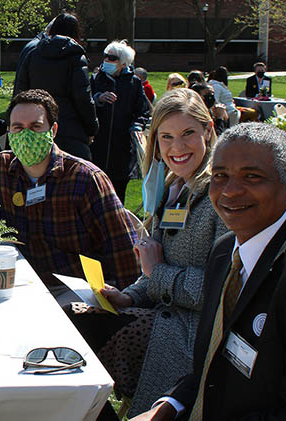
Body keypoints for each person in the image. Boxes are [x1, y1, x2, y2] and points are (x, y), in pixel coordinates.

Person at [131, 122, 286, 420]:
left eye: (252, 177)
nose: (230, 191)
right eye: (220, 176)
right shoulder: (224, 252)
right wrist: (167, 407)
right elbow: (209, 366)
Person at [86, 89, 228, 416]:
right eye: (166, 137)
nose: (177, 148)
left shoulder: (222, 197)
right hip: (162, 318)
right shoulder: (172, 187)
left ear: (208, 130)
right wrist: (130, 296)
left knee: (87, 340)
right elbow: (155, 268)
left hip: (193, 335)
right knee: (80, 321)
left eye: (188, 134)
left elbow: (222, 290)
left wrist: (156, 275)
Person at [0, 89, 140, 289]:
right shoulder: (0, 168)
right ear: (9, 131)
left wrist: (128, 301)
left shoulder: (85, 179)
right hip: (19, 283)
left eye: (35, 127)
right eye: (18, 128)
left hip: (76, 291)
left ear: (52, 131)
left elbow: (123, 250)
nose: (26, 135)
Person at [14, 11, 99, 160]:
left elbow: (20, 93)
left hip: (37, 128)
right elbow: (83, 97)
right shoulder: (76, 57)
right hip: (71, 131)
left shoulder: (33, 54)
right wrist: (92, 128)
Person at [91, 40, 151, 202]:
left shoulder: (134, 83)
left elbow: (143, 110)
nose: (106, 61)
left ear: (123, 63)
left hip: (122, 148)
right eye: (105, 56)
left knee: (118, 195)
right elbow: (85, 104)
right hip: (97, 146)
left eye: (112, 58)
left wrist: (136, 126)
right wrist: (98, 99)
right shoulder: (96, 79)